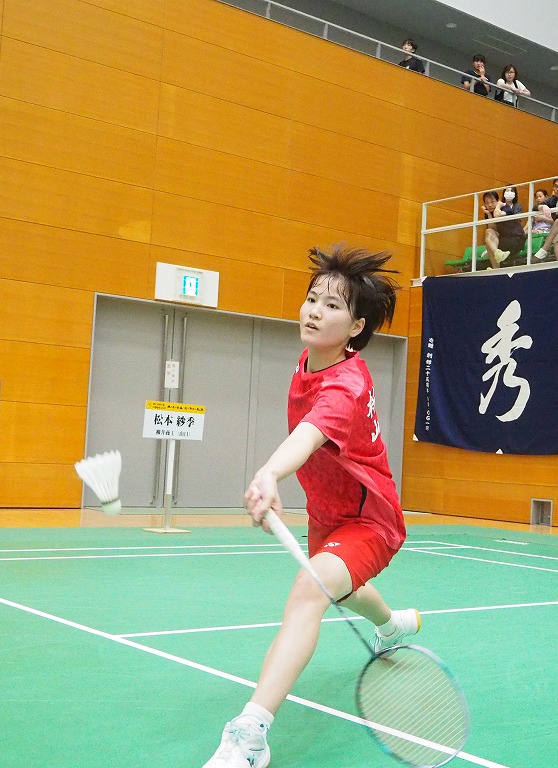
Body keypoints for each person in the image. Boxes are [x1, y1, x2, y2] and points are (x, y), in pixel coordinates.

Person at [201, 246, 417, 768]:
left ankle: (251, 734)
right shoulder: (310, 362)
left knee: (310, 590)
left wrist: (270, 473)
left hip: (370, 520)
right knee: (342, 589)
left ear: (356, 326)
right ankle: (392, 626)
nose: (315, 311)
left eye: (332, 306)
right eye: (312, 298)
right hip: (328, 516)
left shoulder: (346, 384)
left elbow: (309, 433)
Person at [482, 188, 526, 268]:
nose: (490, 205)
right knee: (489, 233)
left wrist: (499, 205)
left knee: (490, 245)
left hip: (516, 239)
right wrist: (488, 214)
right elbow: (492, 228)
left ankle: (496, 268)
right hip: (504, 240)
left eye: (492, 202)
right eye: (487, 203)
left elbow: (497, 215)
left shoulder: (505, 207)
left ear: (498, 201)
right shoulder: (489, 213)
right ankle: (497, 255)